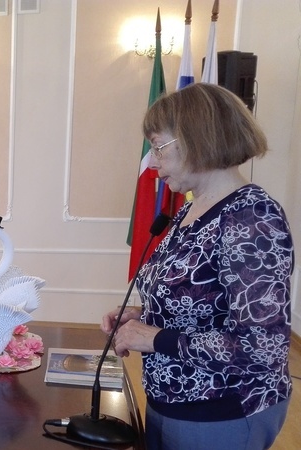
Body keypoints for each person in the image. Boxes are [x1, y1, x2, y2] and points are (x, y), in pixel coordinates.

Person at [102, 83, 294, 450]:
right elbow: (203, 301)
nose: (152, 163)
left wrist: (154, 337)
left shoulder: (252, 218)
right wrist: (144, 315)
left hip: (222, 411)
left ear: (196, 138)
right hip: (172, 402)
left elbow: (262, 347)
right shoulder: (192, 208)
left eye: (158, 147)